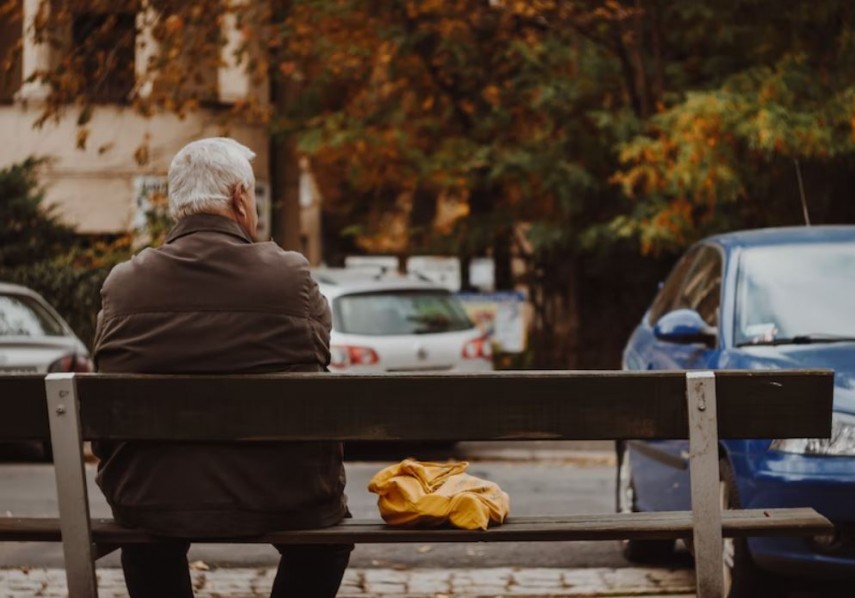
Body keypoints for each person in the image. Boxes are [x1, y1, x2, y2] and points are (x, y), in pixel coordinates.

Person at [92, 137, 351, 597]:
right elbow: (319, 356)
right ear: (239, 198)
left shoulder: (124, 284)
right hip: (285, 495)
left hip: (152, 498)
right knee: (325, 542)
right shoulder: (290, 277)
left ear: (177, 206)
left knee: (147, 538)